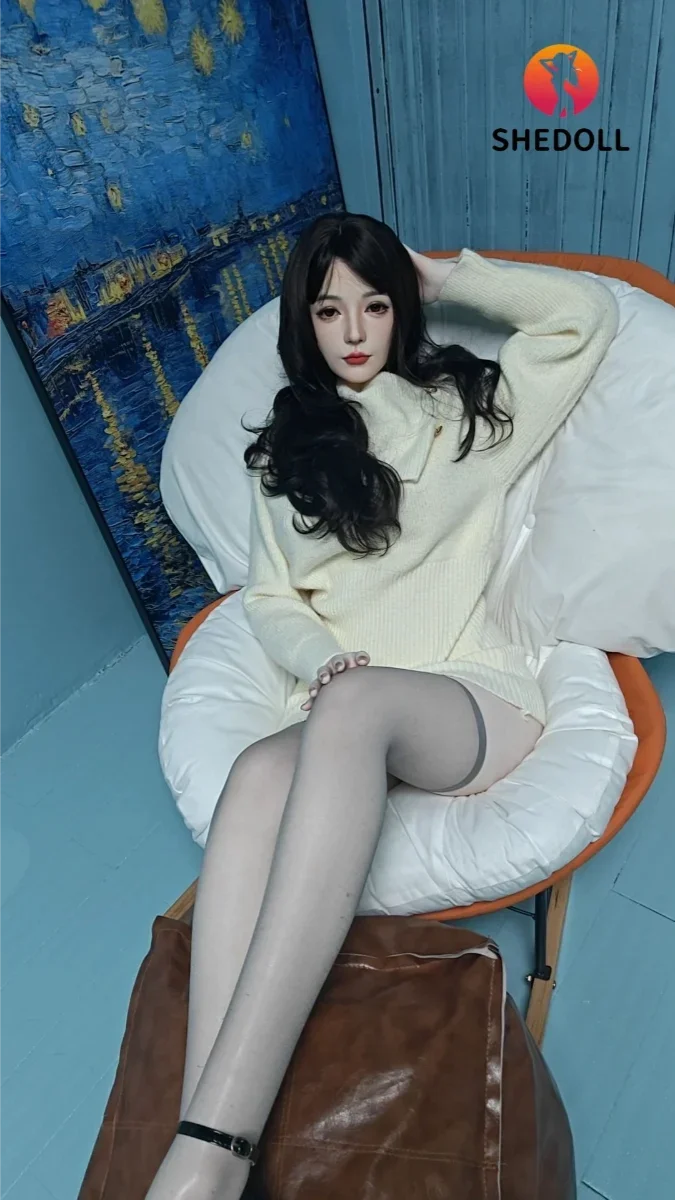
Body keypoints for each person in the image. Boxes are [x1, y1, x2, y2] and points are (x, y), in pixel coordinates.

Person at [146, 213, 619, 1199]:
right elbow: (271, 599)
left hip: (473, 701)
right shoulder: (288, 452)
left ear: (402, 308)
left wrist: (440, 274)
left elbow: (583, 316)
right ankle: (212, 1140)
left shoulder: (468, 411)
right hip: (346, 701)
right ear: (305, 323)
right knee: (256, 772)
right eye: (330, 310)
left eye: (375, 303)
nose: (354, 330)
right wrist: (321, 660)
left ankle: (210, 1147)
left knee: (352, 708)